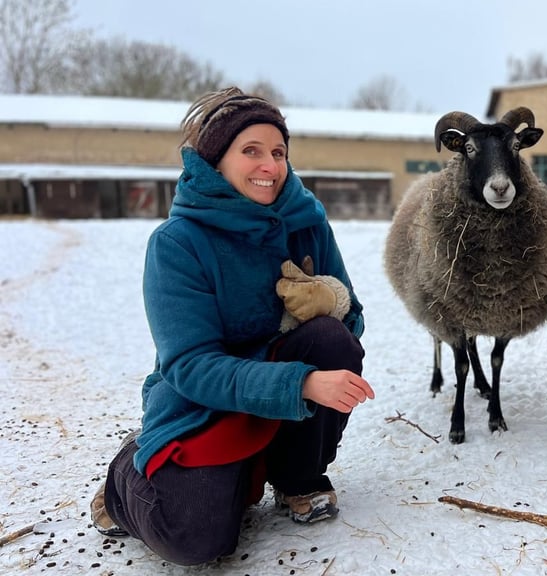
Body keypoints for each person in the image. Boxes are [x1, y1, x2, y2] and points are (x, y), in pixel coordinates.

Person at [90, 87, 375, 566]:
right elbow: (190, 366)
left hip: (280, 396)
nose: (270, 165)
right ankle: (125, 480)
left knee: (331, 339)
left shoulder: (305, 221)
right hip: (202, 403)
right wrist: (300, 381)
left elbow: (352, 322)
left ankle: (296, 477)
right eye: (252, 151)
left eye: (279, 152)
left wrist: (330, 299)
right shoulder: (177, 243)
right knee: (196, 542)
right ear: (216, 161)